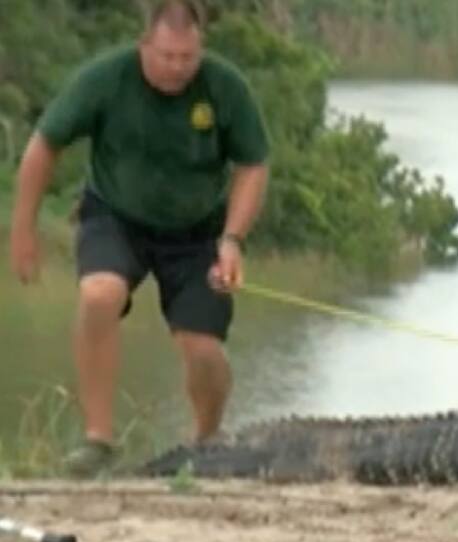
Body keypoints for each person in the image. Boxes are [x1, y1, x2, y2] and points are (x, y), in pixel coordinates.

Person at [8, 0, 270, 479]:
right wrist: (22, 229)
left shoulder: (225, 87)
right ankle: (99, 441)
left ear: (201, 48)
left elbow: (253, 164)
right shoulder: (105, 78)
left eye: (187, 58)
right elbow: (44, 144)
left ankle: (208, 442)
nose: (176, 68)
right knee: (99, 293)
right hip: (115, 216)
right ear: (144, 44)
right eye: (166, 56)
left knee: (204, 350)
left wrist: (233, 239)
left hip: (198, 233)